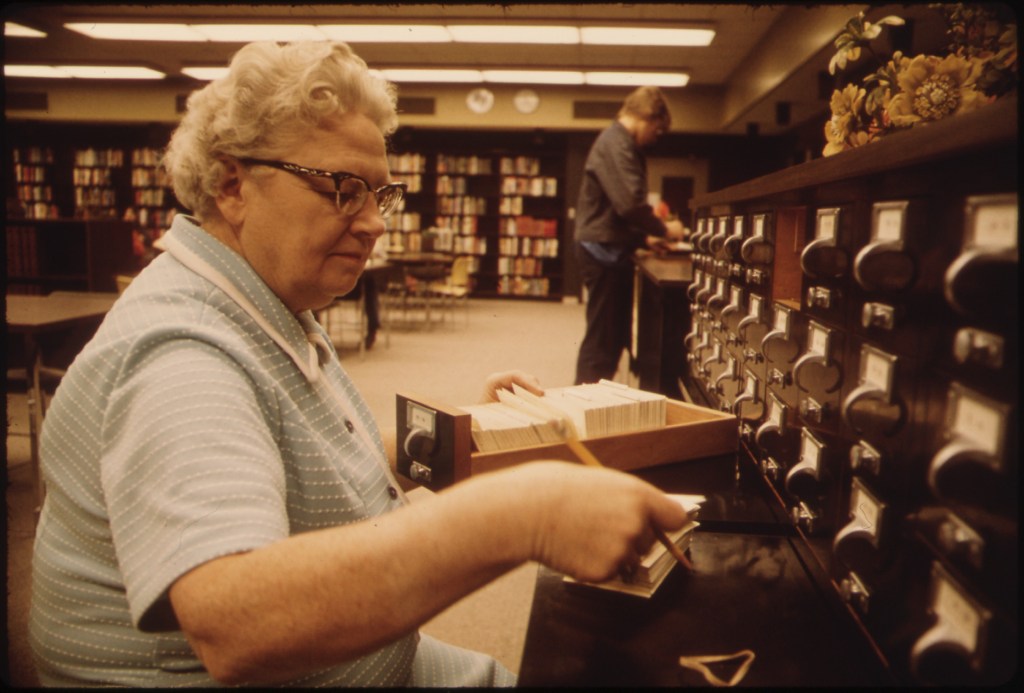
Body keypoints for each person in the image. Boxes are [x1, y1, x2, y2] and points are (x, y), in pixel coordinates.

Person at [28, 41, 689, 688]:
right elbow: (237, 622)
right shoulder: (181, 356)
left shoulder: (260, 301)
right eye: (345, 189)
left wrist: (460, 434)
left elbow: (312, 460)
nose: (375, 224)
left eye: (380, 194)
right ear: (233, 184)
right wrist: (525, 515)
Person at [573, 86, 686, 386]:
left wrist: (644, 239)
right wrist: (665, 229)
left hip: (607, 247)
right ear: (647, 118)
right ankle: (582, 409)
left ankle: (598, 406)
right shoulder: (617, 143)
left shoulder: (618, 142)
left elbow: (614, 209)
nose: (655, 137)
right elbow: (630, 204)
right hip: (602, 252)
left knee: (611, 338)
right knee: (602, 341)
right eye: (657, 130)